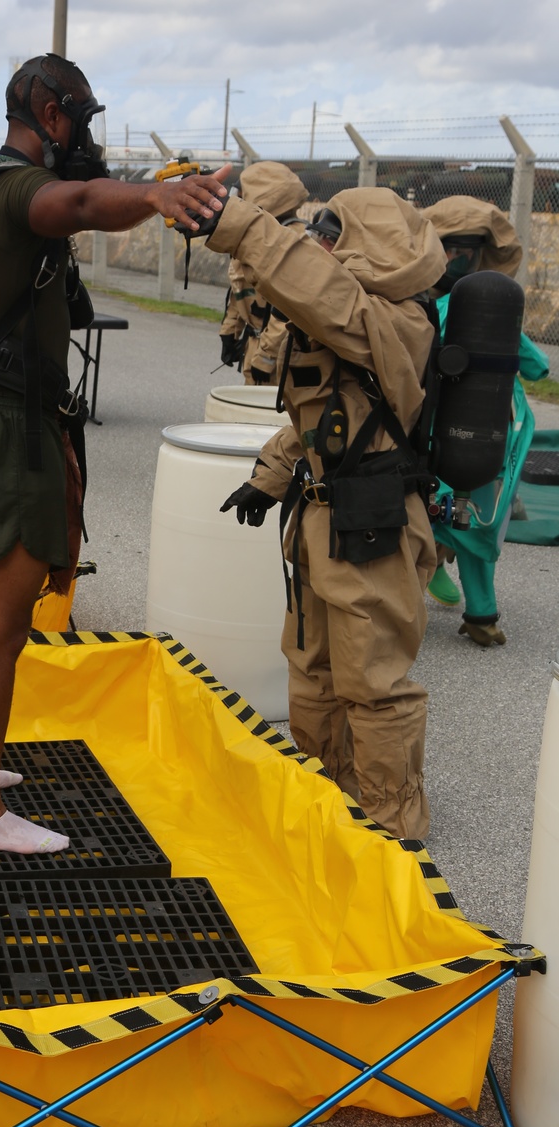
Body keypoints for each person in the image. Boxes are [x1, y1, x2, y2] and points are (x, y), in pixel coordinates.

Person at [0, 53, 230, 853]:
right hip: (5, 429)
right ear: (51, 114)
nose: (83, 137)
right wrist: (157, 196)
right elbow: (86, 200)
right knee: (1, 622)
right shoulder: (17, 187)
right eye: (82, 120)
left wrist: (154, 184)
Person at [215, 187, 444, 841]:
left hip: (373, 526)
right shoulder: (344, 320)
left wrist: (235, 223)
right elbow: (323, 422)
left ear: (369, 243)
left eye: (331, 230)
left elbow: (318, 291)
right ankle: (327, 804)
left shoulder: (397, 321)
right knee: (312, 668)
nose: (317, 237)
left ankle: (393, 826)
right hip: (320, 518)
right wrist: (269, 478)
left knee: (372, 681)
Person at [423, 196, 549, 645]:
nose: (458, 259)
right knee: (477, 516)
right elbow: (539, 368)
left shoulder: (426, 312)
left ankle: (423, 575)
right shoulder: (498, 320)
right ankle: (481, 614)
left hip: (435, 434)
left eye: (464, 251)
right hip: (491, 436)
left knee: (424, 511)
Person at [217, 161, 308, 383]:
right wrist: (230, 331)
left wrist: (266, 358)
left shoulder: (297, 245)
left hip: (285, 358)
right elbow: (240, 284)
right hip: (256, 348)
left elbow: (289, 309)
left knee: (275, 417)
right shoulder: (255, 238)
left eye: (242, 195)